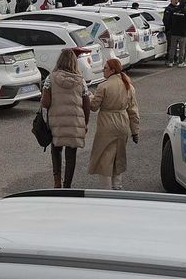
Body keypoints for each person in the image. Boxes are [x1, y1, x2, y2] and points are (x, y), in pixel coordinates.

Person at [88, 58, 141, 190]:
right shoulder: (128, 86)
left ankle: (106, 189)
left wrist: (89, 96)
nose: (103, 70)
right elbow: (133, 111)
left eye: (105, 68)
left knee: (105, 158)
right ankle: (117, 186)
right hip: (123, 122)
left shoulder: (103, 86)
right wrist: (135, 131)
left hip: (107, 124)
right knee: (119, 156)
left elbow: (94, 106)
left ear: (112, 70)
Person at [41, 49, 88, 188]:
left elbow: (45, 102)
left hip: (56, 121)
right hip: (75, 122)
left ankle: (57, 182)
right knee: (71, 154)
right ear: (74, 62)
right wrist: (84, 123)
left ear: (59, 60)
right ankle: (67, 185)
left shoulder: (51, 78)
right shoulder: (80, 80)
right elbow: (86, 103)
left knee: (56, 149)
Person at [163, 0, 186, 67]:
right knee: (182, 48)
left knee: (172, 48)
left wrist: (170, 29)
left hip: (174, 32)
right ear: (185, 4)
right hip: (183, 33)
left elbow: (168, 21)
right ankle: (180, 62)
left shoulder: (173, 11)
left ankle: (171, 62)